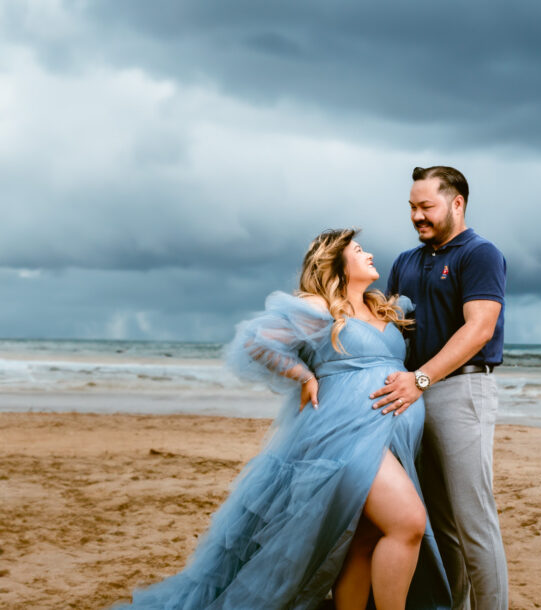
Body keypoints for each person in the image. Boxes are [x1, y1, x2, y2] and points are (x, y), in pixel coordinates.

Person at [113, 229, 451, 610]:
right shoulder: (322, 308)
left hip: (390, 433)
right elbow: (257, 342)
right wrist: (304, 376)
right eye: (359, 250)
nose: (370, 254)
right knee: (408, 522)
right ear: (336, 264)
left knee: (367, 538)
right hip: (345, 434)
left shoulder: (383, 308)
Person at [371, 166, 509, 609]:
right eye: (412, 207)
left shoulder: (480, 253)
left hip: (461, 393)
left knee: (474, 523)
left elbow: (479, 330)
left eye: (426, 206)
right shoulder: (405, 262)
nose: (416, 215)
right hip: (409, 399)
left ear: (456, 203)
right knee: (438, 522)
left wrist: (422, 379)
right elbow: (386, 330)